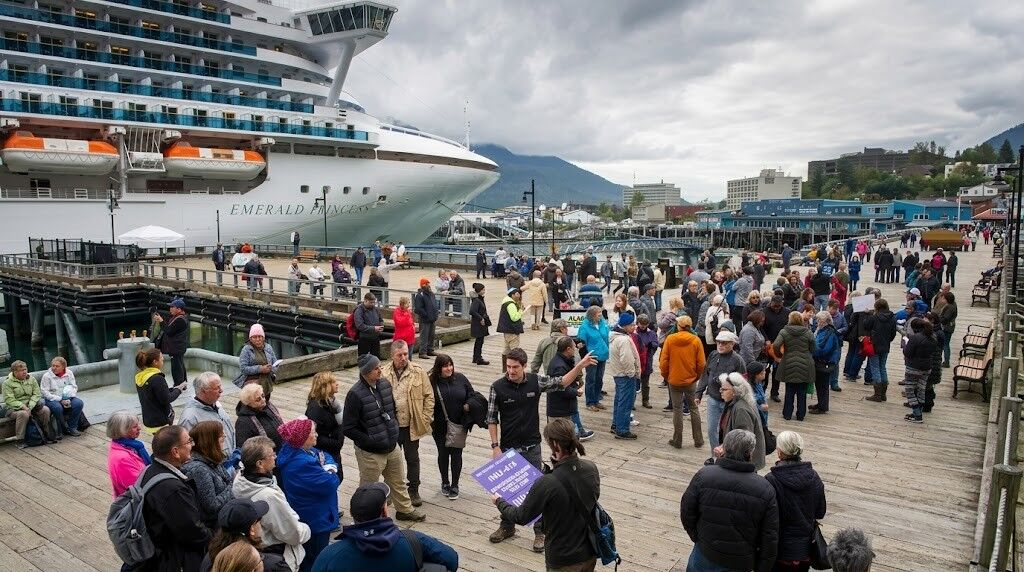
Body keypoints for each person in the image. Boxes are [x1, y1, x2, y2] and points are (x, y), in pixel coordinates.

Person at [487, 348, 596, 551]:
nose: (510, 371)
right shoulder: (497, 387)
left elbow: (561, 382)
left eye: (515, 367)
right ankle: (507, 526)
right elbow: (491, 418)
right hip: (508, 448)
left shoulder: (535, 381)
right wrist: (495, 446)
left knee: (538, 490)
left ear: (525, 366)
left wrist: (580, 366)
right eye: (508, 367)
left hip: (532, 446)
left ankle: (540, 531)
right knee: (508, 489)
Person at [492, 418, 600, 570]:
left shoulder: (547, 483)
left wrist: (499, 501)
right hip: (589, 551)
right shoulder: (591, 468)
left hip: (562, 557)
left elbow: (521, 517)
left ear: (554, 444)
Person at [342, 354, 426, 522]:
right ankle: (363, 518)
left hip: (391, 445)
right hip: (371, 452)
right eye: (376, 368)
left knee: (398, 481)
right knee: (367, 487)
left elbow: (392, 410)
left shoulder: (385, 385)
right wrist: (369, 441)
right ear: (366, 372)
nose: (380, 370)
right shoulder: (355, 394)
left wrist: (393, 430)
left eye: (380, 366)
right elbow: (348, 428)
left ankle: (404, 510)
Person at [681, 429, 779, 571]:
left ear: (725, 449)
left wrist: (697, 537)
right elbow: (769, 536)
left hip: (705, 553)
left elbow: (687, 510)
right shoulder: (765, 488)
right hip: (740, 562)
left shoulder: (704, 475)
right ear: (750, 453)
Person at [312, 482, 459, 572]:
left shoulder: (330, 555)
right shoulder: (414, 540)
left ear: (352, 513)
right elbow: (451, 560)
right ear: (384, 511)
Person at [138, 425, 212, 571]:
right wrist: (213, 537)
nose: (193, 445)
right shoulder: (173, 490)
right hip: (172, 559)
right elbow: (192, 531)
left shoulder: (150, 469)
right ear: (175, 452)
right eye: (189, 441)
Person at [233, 436, 311, 571]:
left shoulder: (241, 479)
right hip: (277, 556)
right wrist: (306, 529)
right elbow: (292, 534)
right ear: (259, 464)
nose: (275, 456)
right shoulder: (268, 496)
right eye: (271, 454)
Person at [277, 418, 341, 572]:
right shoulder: (301, 463)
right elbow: (331, 483)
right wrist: (330, 470)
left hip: (311, 514)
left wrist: (326, 466)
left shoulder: (300, 451)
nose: (317, 435)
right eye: (313, 432)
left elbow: (324, 455)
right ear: (303, 438)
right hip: (316, 519)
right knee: (315, 558)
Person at [382, 339, 434, 508]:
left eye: (405, 354)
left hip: (411, 424)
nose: (404, 357)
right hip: (391, 426)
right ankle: (391, 489)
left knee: (412, 459)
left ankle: (413, 489)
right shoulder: (383, 372)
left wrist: (425, 418)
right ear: (392, 356)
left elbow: (429, 396)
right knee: (390, 460)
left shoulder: (418, 372)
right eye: (400, 355)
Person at [766, 431, 827, 572]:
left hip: (780, 548)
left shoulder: (771, 480)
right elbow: (820, 511)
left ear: (779, 453)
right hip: (805, 549)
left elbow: (768, 518)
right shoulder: (814, 476)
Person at [429, 354, 475, 499]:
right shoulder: (431, 382)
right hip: (439, 426)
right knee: (443, 454)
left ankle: (455, 485)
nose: (449, 368)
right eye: (445, 366)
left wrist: (468, 405)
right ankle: (445, 482)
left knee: (456, 454)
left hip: (458, 424)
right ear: (438, 368)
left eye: (450, 365)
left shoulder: (461, 378)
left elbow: (472, 394)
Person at [201, 498, 290, 572]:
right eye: (259, 521)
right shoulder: (273, 566)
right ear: (252, 529)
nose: (261, 525)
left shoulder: (210, 560)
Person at [695, 330, 746, 450]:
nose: (720, 345)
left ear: (732, 344)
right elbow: (705, 375)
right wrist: (698, 393)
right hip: (712, 399)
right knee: (712, 429)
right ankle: (715, 454)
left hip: (728, 403)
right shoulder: (713, 355)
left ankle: (726, 453)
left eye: (724, 343)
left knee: (727, 430)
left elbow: (743, 382)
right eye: (718, 342)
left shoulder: (738, 360)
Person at [661, 315, 706, 449]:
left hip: (674, 379)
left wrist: (667, 376)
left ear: (678, 326)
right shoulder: (696, 340)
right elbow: (702, 363)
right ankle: (698, 440)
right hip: (690, 380)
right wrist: (696, 376)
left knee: (677, 409)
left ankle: (677, 440)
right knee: (693, 408)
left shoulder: (670, 339)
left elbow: (663, 362)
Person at [182, 420, 235, 530]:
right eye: (222, 438)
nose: (224, 440)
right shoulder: (199, 470)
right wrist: (233, 487)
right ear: (211, 442)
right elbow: (212, 506)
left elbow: (228, 480)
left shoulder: (212, 460)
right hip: (215, 528)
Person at [546, 335, 595, 440]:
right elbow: (560, 389)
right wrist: (576, 392)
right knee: (564, 442)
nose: (576, 348)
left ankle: (579, 433)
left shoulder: (562, 360)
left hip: (565, 407)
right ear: (568, 349)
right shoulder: (559, 366)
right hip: (560, 411)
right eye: (574, 347)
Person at [713, 373, 766, 469]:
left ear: (735, 391)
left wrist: (723, 448)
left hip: (743, 462)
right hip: (738, 458)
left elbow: (744, 439)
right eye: (721, 388)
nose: (720, 391)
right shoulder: (734, 403)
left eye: (724, 389)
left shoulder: (741, 409)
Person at [179, 372, 237, 459]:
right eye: (217, 388)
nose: (221, 390)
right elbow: (187, 450)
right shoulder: (189, 417)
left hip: (229, 462)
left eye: (220, 386)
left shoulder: (215, 404)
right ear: (204, 391)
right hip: (213, 465)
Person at [774, 311, 816, 421]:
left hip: (788, 362)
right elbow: (813, 347)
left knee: (789, 390)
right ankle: (800, 415)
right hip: (805, 363)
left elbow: (777, 344)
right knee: (802, 391)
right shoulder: (808, 332)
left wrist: (779, 355)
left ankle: (787, 414)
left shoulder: (784, 331)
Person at [135, 348, 186, 433]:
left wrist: (173, 389)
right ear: (155, 362)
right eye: (161, 358)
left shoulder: (141, 377)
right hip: (160, 422)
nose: (163, 360)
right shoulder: (157, 378)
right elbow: (166, 399)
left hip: (149, 420)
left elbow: (155, 394)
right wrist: (179, 389)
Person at [608, 312, 641, 440]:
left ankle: (616, 424)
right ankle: (622, 430)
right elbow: (626, 359)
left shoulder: (615, 336)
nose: (634, 327)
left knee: (619, 400)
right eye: (632, 324)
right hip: (625, 375)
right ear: (625, 326)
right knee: (625, 403)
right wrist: (632, 373)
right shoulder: (624, 339)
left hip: (618, 373)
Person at [106, 411, 151, 497]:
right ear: (122, 431)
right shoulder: (122, 459)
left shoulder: (130, 445)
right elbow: (138, 487)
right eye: (135, 426)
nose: (139, 428)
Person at [901, 317, 937, 424]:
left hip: (913, 367)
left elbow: (907, 353)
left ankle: (917, 414)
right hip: (927, 367)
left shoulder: (915, 338)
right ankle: (918, 412)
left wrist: (907, 344)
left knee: (910, 390)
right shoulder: (933, 337)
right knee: (921, 389)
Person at [38, 356, 84, 437]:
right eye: (53, 365)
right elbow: (45, 392)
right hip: (51, 399)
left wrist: (68, 398)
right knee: (57, 408)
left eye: (57, 366)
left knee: (79, 403)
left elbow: (74, 387)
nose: (54, 368)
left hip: (67, 397)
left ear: (63, 367)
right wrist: (60, 399)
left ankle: (72, 427)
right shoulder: (46, 376)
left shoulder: (69, 373)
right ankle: (63, 428)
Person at [577, 305, 610, 412]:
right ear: (592, 316)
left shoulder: (603, 323)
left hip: (603, 355)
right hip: (592, 356)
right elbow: (581, 342)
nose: (600, 317)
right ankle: (590, 402)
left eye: (601, 314)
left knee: (599, 379)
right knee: (591, 379)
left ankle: (596, 400)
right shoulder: (584, 327)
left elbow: (608, 335)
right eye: (598, 315)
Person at [864, 298, 897, 403]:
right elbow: (893, 333)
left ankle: (877, 394)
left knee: (875, 368)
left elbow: (866, 325)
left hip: (874, 345)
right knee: (882, 367)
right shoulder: (892, 317)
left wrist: (868, 314)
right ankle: (883, 394)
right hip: (885, 345)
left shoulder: (874, 317)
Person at [234, 323, 279, 399]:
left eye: (260, 337)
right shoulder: (246, 349)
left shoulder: (268, 347)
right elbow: (243, 368)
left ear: (263, 337)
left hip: (267, 383)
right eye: (255, 337)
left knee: (265, 403)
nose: (258, 339)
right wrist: (260, 369)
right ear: (250, 338)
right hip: (252, 384)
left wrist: (271, 368)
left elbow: (275, 364)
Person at [235, 383, 284, 451]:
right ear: (248, 403)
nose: (263, 400)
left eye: (263, 396)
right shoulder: (243, 422)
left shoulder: (269, 406)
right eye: (258, 400)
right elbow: (243, 449)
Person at [810, 311, 841, 415]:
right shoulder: (825, 330)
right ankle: (821, 404)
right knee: (820, 385)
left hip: (824, 362)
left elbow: (823, 350)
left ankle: (822, 407)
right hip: (823, 361)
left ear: (824, 321)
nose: (817, 322)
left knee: (822, 385)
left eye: (819, 320)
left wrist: (812, 349)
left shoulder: (828, 332)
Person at [154, 297, 189, 387]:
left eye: (172, 307)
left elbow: (169, 331)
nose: (170, 309)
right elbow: (170, 328)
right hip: (178, 347)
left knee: (176, 368)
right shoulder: (179, 317)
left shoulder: (180, 320)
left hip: (176, 348)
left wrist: (161, 321)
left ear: (179, 309)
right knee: (180, 365)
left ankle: (178, 386)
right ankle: (183, 384)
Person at [496, 287, 525, 361]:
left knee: (506, 349)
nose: (519, 295)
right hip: (512, 329)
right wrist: (521, 311)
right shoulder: (511, 304)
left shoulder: (506, 302)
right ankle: (513, 365)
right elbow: (514, 318)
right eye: (517, 294)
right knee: (514, 349)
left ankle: (505, 368)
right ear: (512, 295)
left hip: (506, 329)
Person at [413, 278, 439, 358]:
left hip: (432, 318)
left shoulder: (431, 294)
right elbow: (418, 308)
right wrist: (426, 315)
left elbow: (434, 304)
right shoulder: (420, 295)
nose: (428, 285)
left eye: (428, 283)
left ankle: (430, 350)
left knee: (431, 335)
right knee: (424, 336)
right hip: (424, 319)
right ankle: (422, 352)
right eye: (426, 284)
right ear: (423, 285)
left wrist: (435, 314)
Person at [353, 293, 384, 357]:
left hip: (375, 338)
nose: (373, 304)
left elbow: (380, 319)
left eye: (373, 302)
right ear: (365, 301)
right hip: (364, 339)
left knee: (376, 358)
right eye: (371, 302)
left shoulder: (375, 309)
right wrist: (374, 328)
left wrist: (381, 325)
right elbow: (360, 326)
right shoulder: (359, 310)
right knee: (363, 358)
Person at [468, 283, 492, 365]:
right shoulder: (477, 300)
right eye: (483, 289)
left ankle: (476, 357)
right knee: (479, 341)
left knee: (479, 341)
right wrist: (481, 318)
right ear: (480, 291)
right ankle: (478, 358)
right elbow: (472, 311)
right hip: (478, 324)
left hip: (480, 323)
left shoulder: (479, 299)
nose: (484, 291)